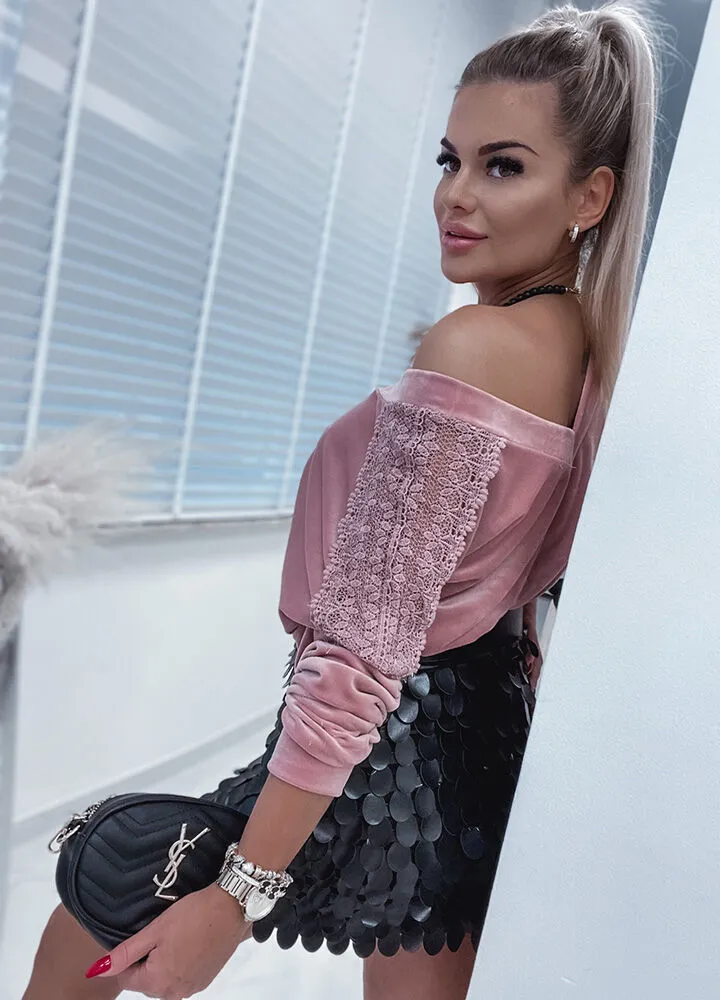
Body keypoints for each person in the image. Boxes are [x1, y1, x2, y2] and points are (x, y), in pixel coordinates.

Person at [23, 3, 660, 998]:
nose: (456, 195)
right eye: (449, 160)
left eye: (503, 166)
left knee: (86, 925)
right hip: (479, 743)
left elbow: (362, 654)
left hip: (386, 748)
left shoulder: (474, 348)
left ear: (590, 194)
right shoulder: (594, 360)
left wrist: (237, 898)